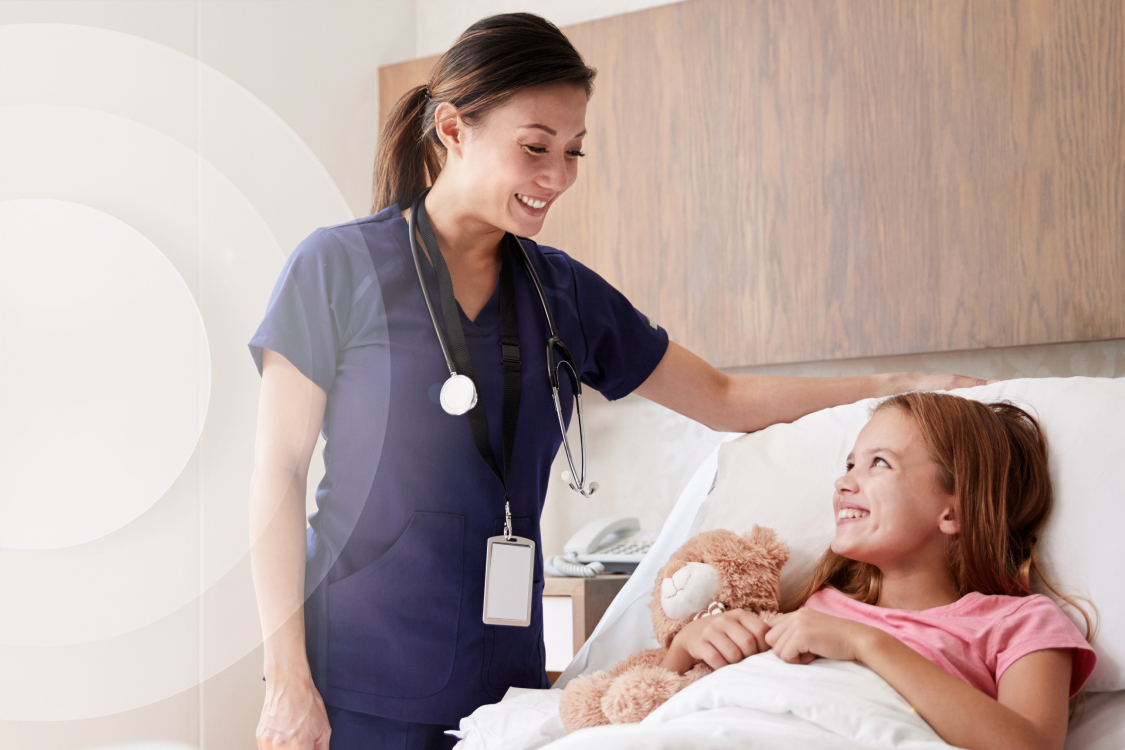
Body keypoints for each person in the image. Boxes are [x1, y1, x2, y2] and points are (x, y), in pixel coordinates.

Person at [247, 13, 989, 750]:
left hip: (500, 682)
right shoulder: (336, 270)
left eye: (573, 152)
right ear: (451, 130)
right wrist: (287, 680)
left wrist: (900, 383)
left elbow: (724, 400)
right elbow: (276, 474)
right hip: (350, 675)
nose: (557, 177)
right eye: (535, 147)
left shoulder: (561, 293)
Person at [660, 391, 1096, 750]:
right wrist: (691, 642)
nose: (844, 482)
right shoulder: (818, 605)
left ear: (953, 511)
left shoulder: (1020, 623)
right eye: (850, 464)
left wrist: (866, 643)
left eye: (880, 463)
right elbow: (671, 695)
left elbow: (1032, 745)